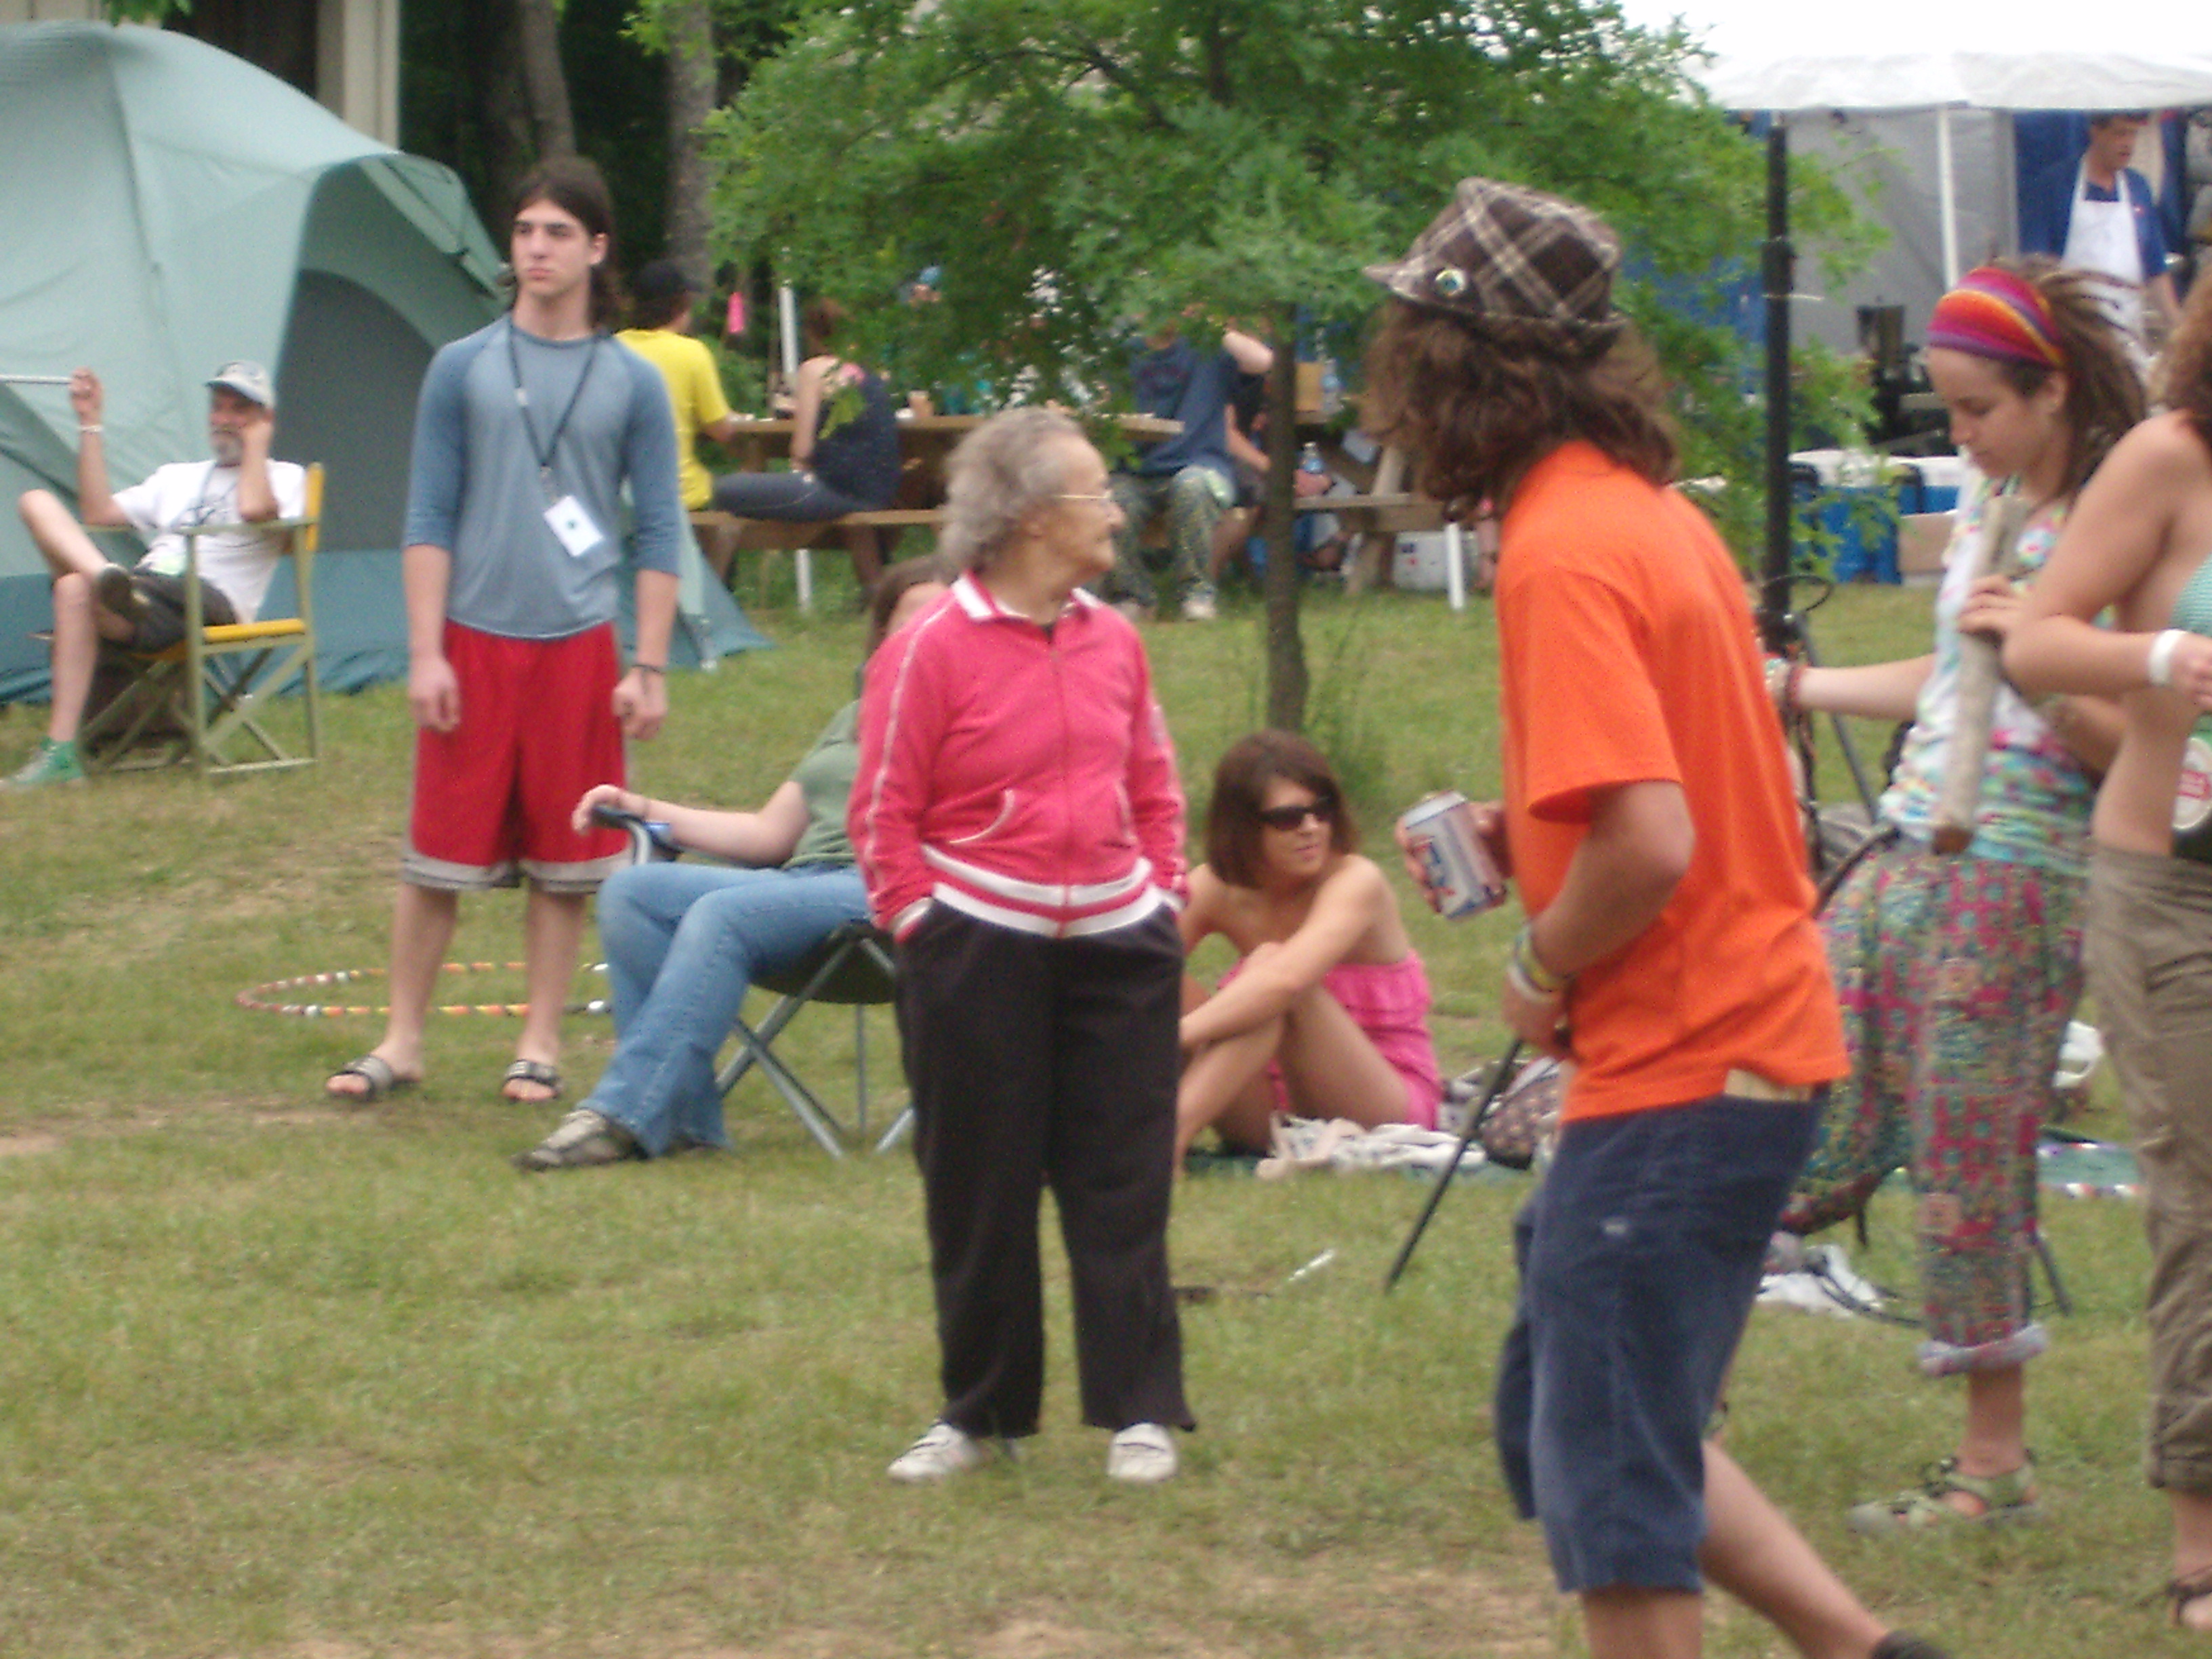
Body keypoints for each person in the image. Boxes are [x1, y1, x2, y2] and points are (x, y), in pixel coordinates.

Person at [1363, 176, 1952, 1659]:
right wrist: (1528, 832)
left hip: (1685, 1057)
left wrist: (1534, 958)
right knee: (1570, 1413)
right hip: (1742, 1041)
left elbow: (1650, 843)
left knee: (1613, 1472)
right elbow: (1693, 784)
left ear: (1458, 365)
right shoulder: (1645, 518)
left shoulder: (1560, 548)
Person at [1771, 260, 2140, 1534]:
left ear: (2054, 389)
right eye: (1950, 408)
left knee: (1964, 1144)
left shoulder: (2116, 522)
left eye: (1981, 408)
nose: (1962, 434)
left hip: (2024, 870)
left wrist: (2038, 662)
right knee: (1781, 1085)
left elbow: (2143, 750)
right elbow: (1943, 680)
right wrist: (1799, 690)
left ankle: (1994, 1467)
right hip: (1904, 843)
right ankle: (1670, 1387)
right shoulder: (1989, 500)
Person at [852, 406, 1193, 1486]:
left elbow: (1155, 786)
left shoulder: (1117, 639)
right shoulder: (927, 648)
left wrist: (1163, 899)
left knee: (1123, 1184)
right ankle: (981, 1412)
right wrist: (923, 927)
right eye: (1097, 495)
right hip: (976, 946)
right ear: (1034, 516)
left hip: (1119, 942)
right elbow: (882, 813)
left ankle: (1140, 1411)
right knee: (979, 1189)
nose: (1116, 514)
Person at [324, 156, 684, 1108]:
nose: (536, 248)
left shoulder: (634, 381)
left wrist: (648, 665)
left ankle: (539, 1043)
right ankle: (402, 1040)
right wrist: (427, 652)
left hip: (579, 647)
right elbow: (427, 514)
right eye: (525, 230)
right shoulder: (463, 367)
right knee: (434, 857)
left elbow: (660, 530)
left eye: (558, 232)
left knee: (565, 864)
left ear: (597, 248)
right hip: (473, 641)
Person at [2007, 274, 2212, 1633]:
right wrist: (2159, 654)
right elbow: (2034, 638)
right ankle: (2201, 1538)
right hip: (2173, 889)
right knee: (2202, 1196)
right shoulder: (2167, 457)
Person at [514, 555, 954, 1172]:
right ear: (883, 634)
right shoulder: (853, 718)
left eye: (940, 618)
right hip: (803, 889)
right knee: (632, 893)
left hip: (890, 893)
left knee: (724, 912)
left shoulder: (974, 717)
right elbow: (768, 833)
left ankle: (623, 1116)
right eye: (908, 620)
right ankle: (683, 1122)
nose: (922, 633)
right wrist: (643, 807)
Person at [8, 362, 307, 789]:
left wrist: (256, 445)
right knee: (39, 509)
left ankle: (112, 587)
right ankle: (61, 753)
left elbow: (255, 509)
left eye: (240, 410)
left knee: (80, 587)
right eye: (218, 407)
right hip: (146, 589)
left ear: (266, 419)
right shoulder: (178, 477)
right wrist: (90, 423)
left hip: (207, 600)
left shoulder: (287, 478)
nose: (224, 418)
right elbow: (97, 511)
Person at [1174, 730, 1441, 1164]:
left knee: (1271, 971)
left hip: (1380, 1098)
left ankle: (1167, 1138)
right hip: (1268, 1104)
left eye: (1322, 810)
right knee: (1156, 978)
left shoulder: (1357, 881)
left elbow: (1286, 981)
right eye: (1287, 818)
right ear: (1243, 826)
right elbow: (1131, 973)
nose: (1311, 828)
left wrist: (1179, 1035)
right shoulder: (1215, 888)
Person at [709, 297, 901, 589]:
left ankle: (714, 594)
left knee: (721, 491)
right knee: (854, 527)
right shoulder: (869, 373)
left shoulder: (815, 370)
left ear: (811, 333)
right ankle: (876, 596)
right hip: (878, 491)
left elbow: (802, 450)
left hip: (834, 489)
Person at [617, 259, 751, 665]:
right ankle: (715, 607)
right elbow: (720, 429)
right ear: (680, 304)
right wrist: (737, 420)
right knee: (729, 512)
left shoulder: (611, 349)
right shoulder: (691, 353)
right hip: (678, 488)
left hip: (619, 491)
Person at [1102, 317, 1273, 621]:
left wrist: (1209, 324)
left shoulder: (1207, 348)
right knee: (1112, 498)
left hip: (1201, 464)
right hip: (1137, 468)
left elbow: (1263, 361)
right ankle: (1132, 597)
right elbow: (1106, 405)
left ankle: (1197, 594)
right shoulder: (1125, 352)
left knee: (1192, 487)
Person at [2020, 111, 2182, 357]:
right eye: (2120, 134)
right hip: (2075, 336)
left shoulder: (2138, 187)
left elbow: (2155, 268)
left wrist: (2179, 328)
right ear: (2095, 131)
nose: (2128, 144)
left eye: (2133, 135)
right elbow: (2035, 271)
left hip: (2129, 336)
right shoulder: (2055, 186)